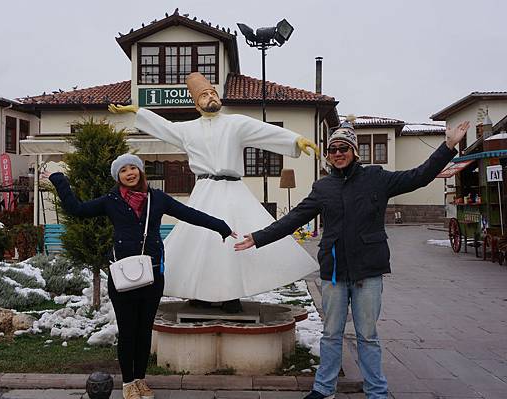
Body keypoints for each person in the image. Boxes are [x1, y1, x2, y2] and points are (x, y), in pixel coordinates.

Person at [234, 118, 470, 399]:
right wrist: (258, 237)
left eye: (343, 148)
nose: (337, 153)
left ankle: (377, 392)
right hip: (334, 271)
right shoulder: (323, 188)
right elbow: (294, 218)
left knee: (367, 336)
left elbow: (418, 176)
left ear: (354, 151)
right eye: (333, 149)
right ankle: (324, 388)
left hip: (367, 272)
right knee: (331, 333)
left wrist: (448, 146)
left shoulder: (377, 178)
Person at [109, 72, 320, 313]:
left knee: (232, 242)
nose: (210, 97)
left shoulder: (236, 123)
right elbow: (164, 127)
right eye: (204, 95)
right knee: (201, 244)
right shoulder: (187, 130)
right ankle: (200, 293)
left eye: (212, 93)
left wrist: (296, 140)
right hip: (205, 190)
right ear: (196, 103)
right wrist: (138, 112)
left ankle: (231, 294)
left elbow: (265, 131)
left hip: (232, 190)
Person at [45, 153, 236, 399]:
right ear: (118, 177)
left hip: (153, 274)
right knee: (127, 331)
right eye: (123, 170)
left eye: (132, 168)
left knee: (144, 330)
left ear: (140, 171)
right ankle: (127, 383)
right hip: (123, 276)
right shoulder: (110, 200)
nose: (129, 173)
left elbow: (189, 214)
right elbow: (76, 209)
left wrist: (221, 226)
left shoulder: (157, 198)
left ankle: (140, 380)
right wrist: (58, 179)